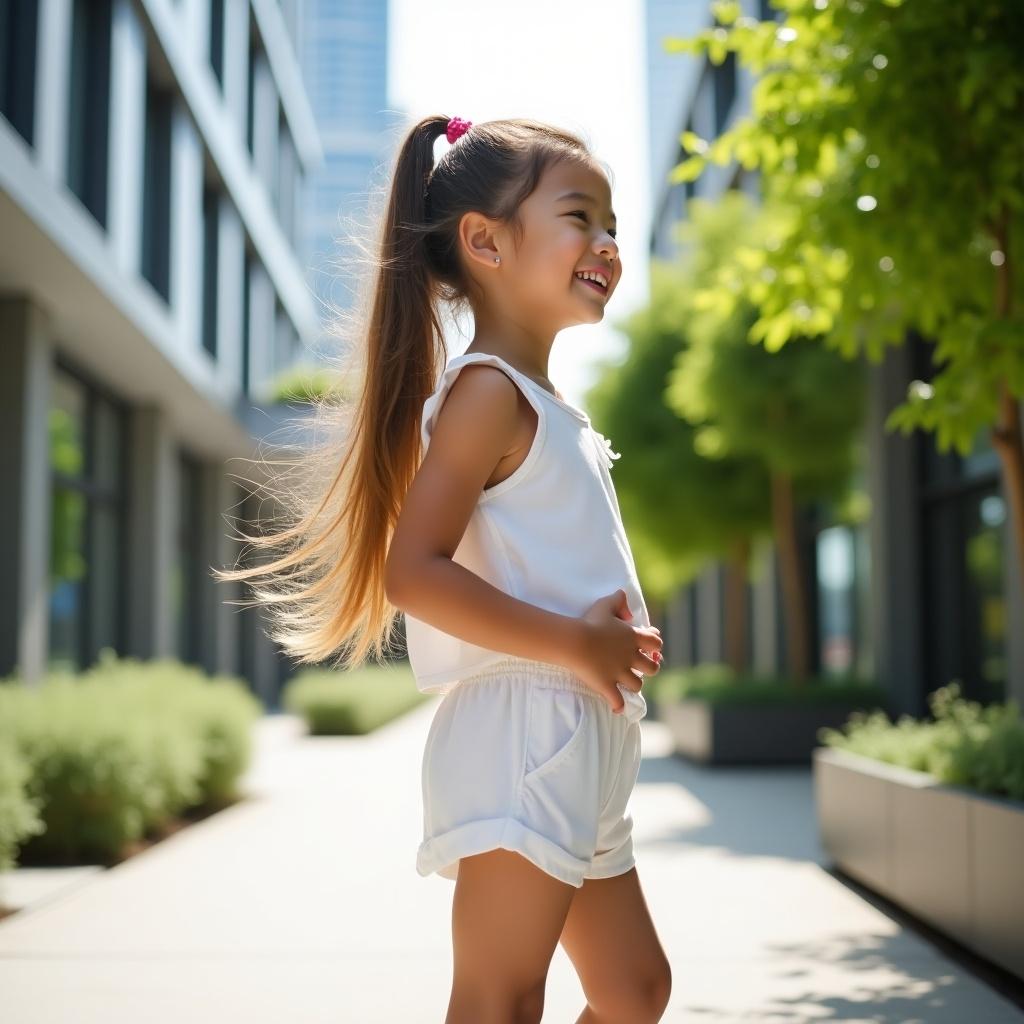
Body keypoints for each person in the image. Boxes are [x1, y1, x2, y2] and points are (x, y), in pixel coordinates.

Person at [214, 114, 671, 1024]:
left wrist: (593, 657)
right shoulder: (487, 393)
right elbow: (413, 572)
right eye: (580, 216)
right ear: (484, 241)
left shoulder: (541, 402)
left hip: (582, 733)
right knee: (500, 999)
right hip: (525, 733)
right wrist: (576, 643)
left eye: (612, 223)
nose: (607, 242)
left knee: (632, 991)